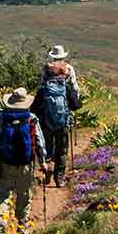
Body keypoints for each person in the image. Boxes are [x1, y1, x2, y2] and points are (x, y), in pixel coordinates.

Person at [0, 87, 48, 229]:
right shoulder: (31, 118)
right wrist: (43, 162)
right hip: (25, 164)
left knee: (3, 193)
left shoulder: (1, 117)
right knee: (24, 193)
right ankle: (22, 225)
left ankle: (1, 221)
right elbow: (39, 141)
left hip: (5, 162)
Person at [31, 48, 81, 187]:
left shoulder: (46, 73)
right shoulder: (69, 71)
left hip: (46, 119)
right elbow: (76, 97)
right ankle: (59, 177)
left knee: (46, 146)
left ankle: (47, 169)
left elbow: (37, 100)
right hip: (63, 120)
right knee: (62, 149)